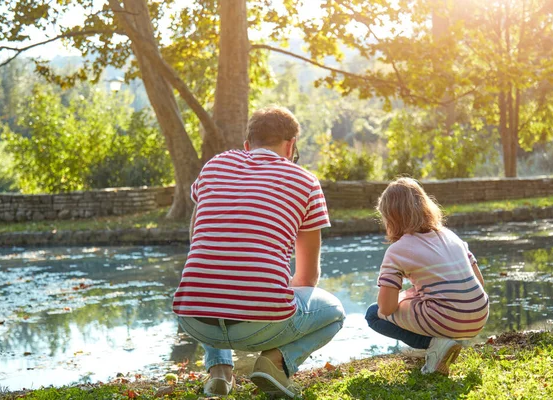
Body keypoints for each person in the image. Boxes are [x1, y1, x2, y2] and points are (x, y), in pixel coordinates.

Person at [172, 106, 345, 398]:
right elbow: (307, 277)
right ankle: (274, 362)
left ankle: (219, 372)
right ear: (291, 145)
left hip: (193, 317)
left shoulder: (215, 166)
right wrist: (266, 294)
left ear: (247, 145)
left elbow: (198, 242)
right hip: (260, 326)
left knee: (215, 273)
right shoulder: (305, 182)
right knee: (336, 313)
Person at [365, 177, 488, 375]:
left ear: (391, 217)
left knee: (373, 314)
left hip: (448, 319)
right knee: (415, 298)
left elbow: (386, 308)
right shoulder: (450, 235)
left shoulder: (398, 250)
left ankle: (434, 345)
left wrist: (404, 295)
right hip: (479, 315)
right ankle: (439, 345)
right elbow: (479, 282)